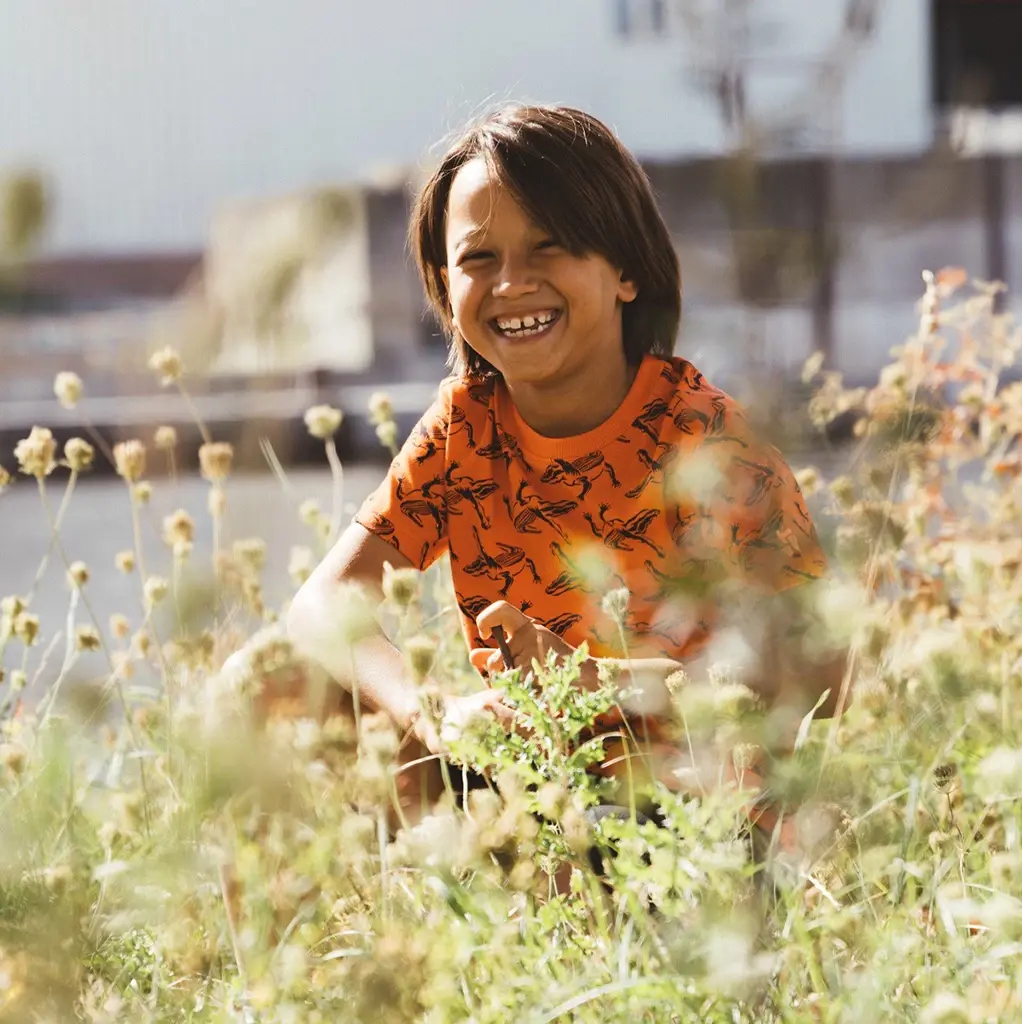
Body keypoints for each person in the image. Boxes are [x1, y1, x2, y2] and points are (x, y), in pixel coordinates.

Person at [286, 104, 849, 856]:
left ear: (624, 271)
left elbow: (821, 675)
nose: (513, 283)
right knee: (263, 689)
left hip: (689, 815)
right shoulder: (464, 428)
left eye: (550, 248)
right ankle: (285, 955)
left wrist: (603, 686)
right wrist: (434, 711)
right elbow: (322, 604)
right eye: (478, 260)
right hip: (527, 782)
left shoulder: (706, 439)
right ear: (443, 284)